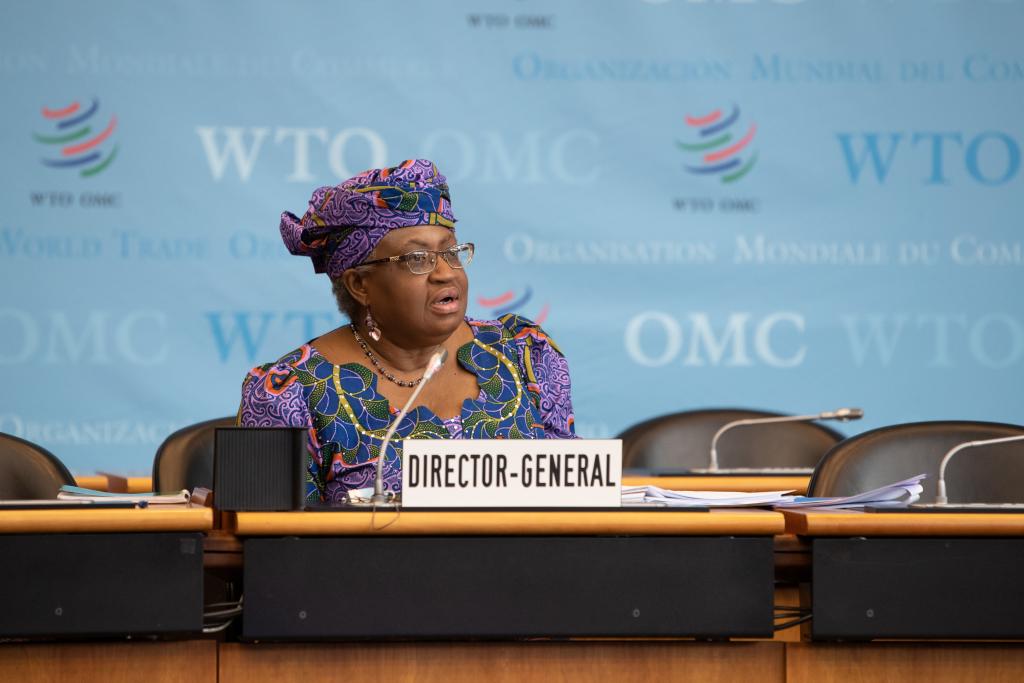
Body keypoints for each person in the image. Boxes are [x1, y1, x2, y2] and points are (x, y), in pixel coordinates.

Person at [238, 159, 576, 504]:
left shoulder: (524, 353)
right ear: (360, 284)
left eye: (452, 252)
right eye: (418, 258)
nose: (446, 273)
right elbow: (272, 545)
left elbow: (573, 503)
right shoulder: (288, 393)